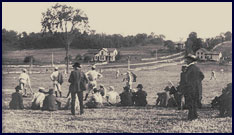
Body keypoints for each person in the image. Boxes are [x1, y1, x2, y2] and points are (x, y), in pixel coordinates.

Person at [184, 54, 204, 120]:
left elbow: (186, 79)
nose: (186, 60)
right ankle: (194, 116)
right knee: (194, 102)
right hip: (196, 87)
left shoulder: (190, 68)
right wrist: (197, 82)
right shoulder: (196, 67)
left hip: (191, 88)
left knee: (191, 102)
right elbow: (202, 76)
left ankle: (192, 117)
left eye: (187, 59)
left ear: (190, 60)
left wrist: (192, 83)